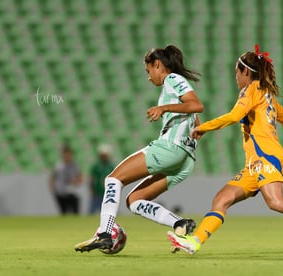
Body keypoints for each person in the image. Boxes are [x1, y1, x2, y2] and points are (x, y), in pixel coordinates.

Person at [167, 44, 283, 258]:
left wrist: (203, 127)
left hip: (265, 156)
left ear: (245, 72)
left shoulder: (251, 90)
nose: (236, 78)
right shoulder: (267, 96)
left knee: (275, 201)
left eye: (236, 73)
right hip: (255, 162)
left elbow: (233, 116)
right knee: (222, 198)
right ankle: (194, 242)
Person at [75, 45, 204, 252]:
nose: (148, 77)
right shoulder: (173, 86)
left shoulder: (172, 79)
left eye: (148, 71)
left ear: (157, 65)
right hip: (185, 159)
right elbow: (195, 120)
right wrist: (196, 131)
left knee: (113, 179)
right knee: (134, 201)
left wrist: (163, 108)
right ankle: (180, 224)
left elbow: (197, 105)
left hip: (169, 149)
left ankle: (105, 233)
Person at [49, 145, 84, 215]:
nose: (67, 156)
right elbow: (53, 177)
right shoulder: (59, 166)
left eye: (68, 155)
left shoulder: (75, 165)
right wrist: (53, 188)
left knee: (75, 213)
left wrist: (75, 181)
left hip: (73, 192)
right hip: (61, 192)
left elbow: (80, 177)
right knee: (63, 212)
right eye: (65, 155)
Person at [89, 144, 116, 214]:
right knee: (92, 211)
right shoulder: (96, 166)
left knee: (108, 211)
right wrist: (92, 190)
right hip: (97, 192)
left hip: (108, 193)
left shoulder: (111, 166)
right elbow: (92, 179)